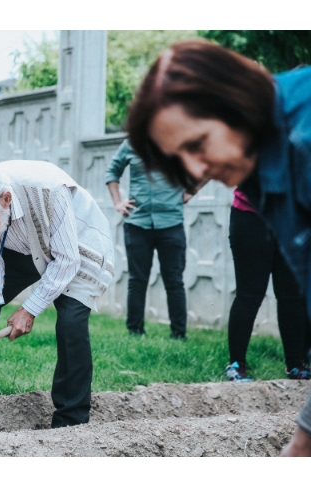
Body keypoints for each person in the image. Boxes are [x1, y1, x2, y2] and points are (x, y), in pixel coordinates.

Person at [125, 38, 311, 455]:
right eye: (180, 158)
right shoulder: (259, 167)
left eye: (197, 144)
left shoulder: (306, 137)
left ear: (234, 102)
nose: (194, 170)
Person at [0, 161, 115, 429]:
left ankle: (71, 418)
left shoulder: (49, 190)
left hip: (78, 248)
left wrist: (29, 309)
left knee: (71, 320)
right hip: (23, 246)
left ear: (6, 199)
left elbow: (66, 261)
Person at [106, 138, 190, 339]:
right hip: (137, 223)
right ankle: (135, 331)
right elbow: (112, 172)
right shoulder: (132, 143)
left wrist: (191, 191)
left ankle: (179, 334)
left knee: (174, 281)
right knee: (137, 279)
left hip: (171, 222)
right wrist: (118, 202)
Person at [226, 189, 310, 382]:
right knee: (249, 294)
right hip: (251, 216)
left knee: (292, 295)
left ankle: (295, 364)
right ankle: (236, 364)